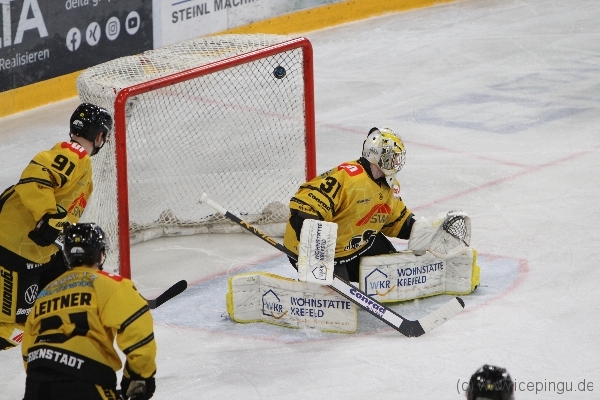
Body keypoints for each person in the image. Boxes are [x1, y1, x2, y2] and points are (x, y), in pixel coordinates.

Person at [0, 103, 112, 350]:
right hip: (14, 245)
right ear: (99, 136)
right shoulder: (74, 154)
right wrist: (48, 215)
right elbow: (35, 176)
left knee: (66, 279)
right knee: (10, 328)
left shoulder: (79, 161)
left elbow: (62, 212)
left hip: (34, 246)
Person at [21, 223, 157, 400]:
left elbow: (28, 347)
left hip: (37, 381)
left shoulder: (45, 293)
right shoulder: (109, 284)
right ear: (100, 254)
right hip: (85, 376)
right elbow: (136, 327)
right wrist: (139, 374)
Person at [283, 126, 415, 282]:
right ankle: (316, 285)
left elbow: (396, 221)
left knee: (394, 273)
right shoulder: (349, 177)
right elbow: (305, 206)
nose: (396, 161)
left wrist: (421, 230)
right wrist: (314, 247)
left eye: (398, 157)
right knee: (337, 294)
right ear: (377, 154)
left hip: (357, 245)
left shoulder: (390, 186)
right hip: (324, 252)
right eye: (392, 156)